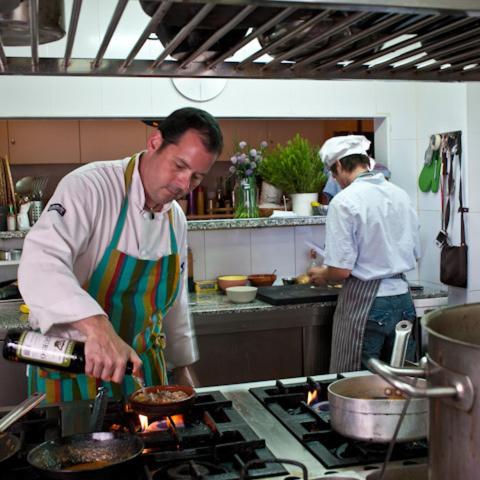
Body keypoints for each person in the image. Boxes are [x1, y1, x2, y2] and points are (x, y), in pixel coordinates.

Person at [18, 107, 223, 402]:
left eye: (195, 178)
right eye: (179, 166)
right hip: (73, 372)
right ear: (155, 143)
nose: (183, 185)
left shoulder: (175, 217)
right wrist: (97, 329)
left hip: (141, 378)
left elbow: (174, 304)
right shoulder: (90, 187)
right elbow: (40, 264)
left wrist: (183, 365)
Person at [308, 135, 420, 373]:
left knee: (356, 385)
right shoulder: (400, 194)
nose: (334, 180)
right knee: (400, 384)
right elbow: (415, 253)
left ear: (338, 166)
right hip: (403, 300)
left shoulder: (345, 201)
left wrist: (323, 274)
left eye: (332, 173)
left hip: (368, 305)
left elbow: (341, 271)